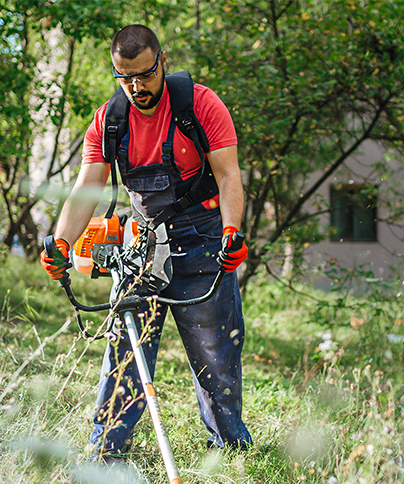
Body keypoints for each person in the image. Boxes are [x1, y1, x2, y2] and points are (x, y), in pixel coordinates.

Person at [41, 24, 252, 461]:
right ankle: (106, 454)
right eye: (125, 77)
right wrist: (61, 243)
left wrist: (233, 231)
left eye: (144, 74)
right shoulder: (109, 120)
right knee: (126, 348)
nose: (136, 86)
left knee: (217, 357)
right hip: (143, 246)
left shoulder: (200, 105)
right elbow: (87, 189)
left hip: (204, 241)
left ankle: (230, 452)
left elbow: (230, 174)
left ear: (161, 63)